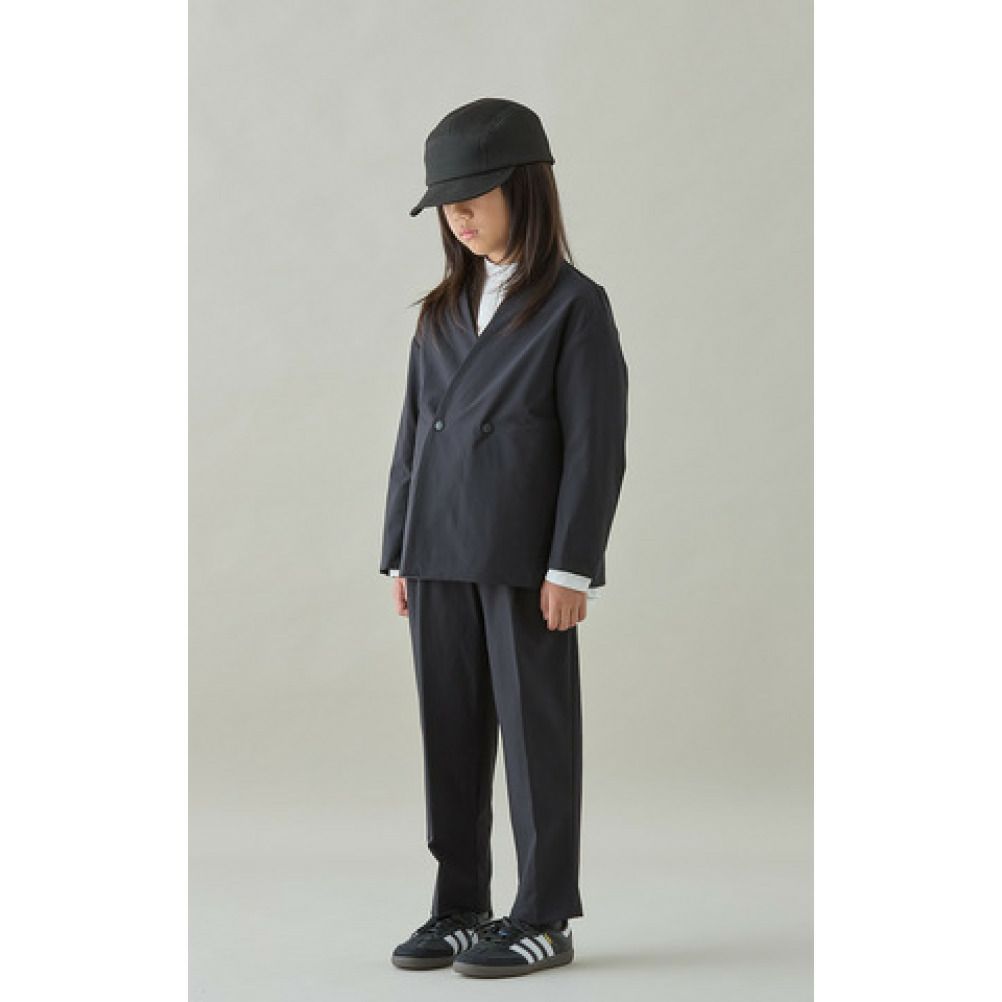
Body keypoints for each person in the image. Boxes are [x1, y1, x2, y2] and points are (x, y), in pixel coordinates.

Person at [381, 97, 629, 979]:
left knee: (535, 737)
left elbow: (596, 448)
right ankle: (460, 905)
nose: (458, 216)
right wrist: (400, 549)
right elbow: (413, 437)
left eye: (471, 197)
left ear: (524, 188)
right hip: (437, 552)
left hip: (526, 562)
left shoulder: (575, 307)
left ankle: (544, 915)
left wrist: (573, 566)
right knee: (449, 734)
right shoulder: (441, 310)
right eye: (446, 204)